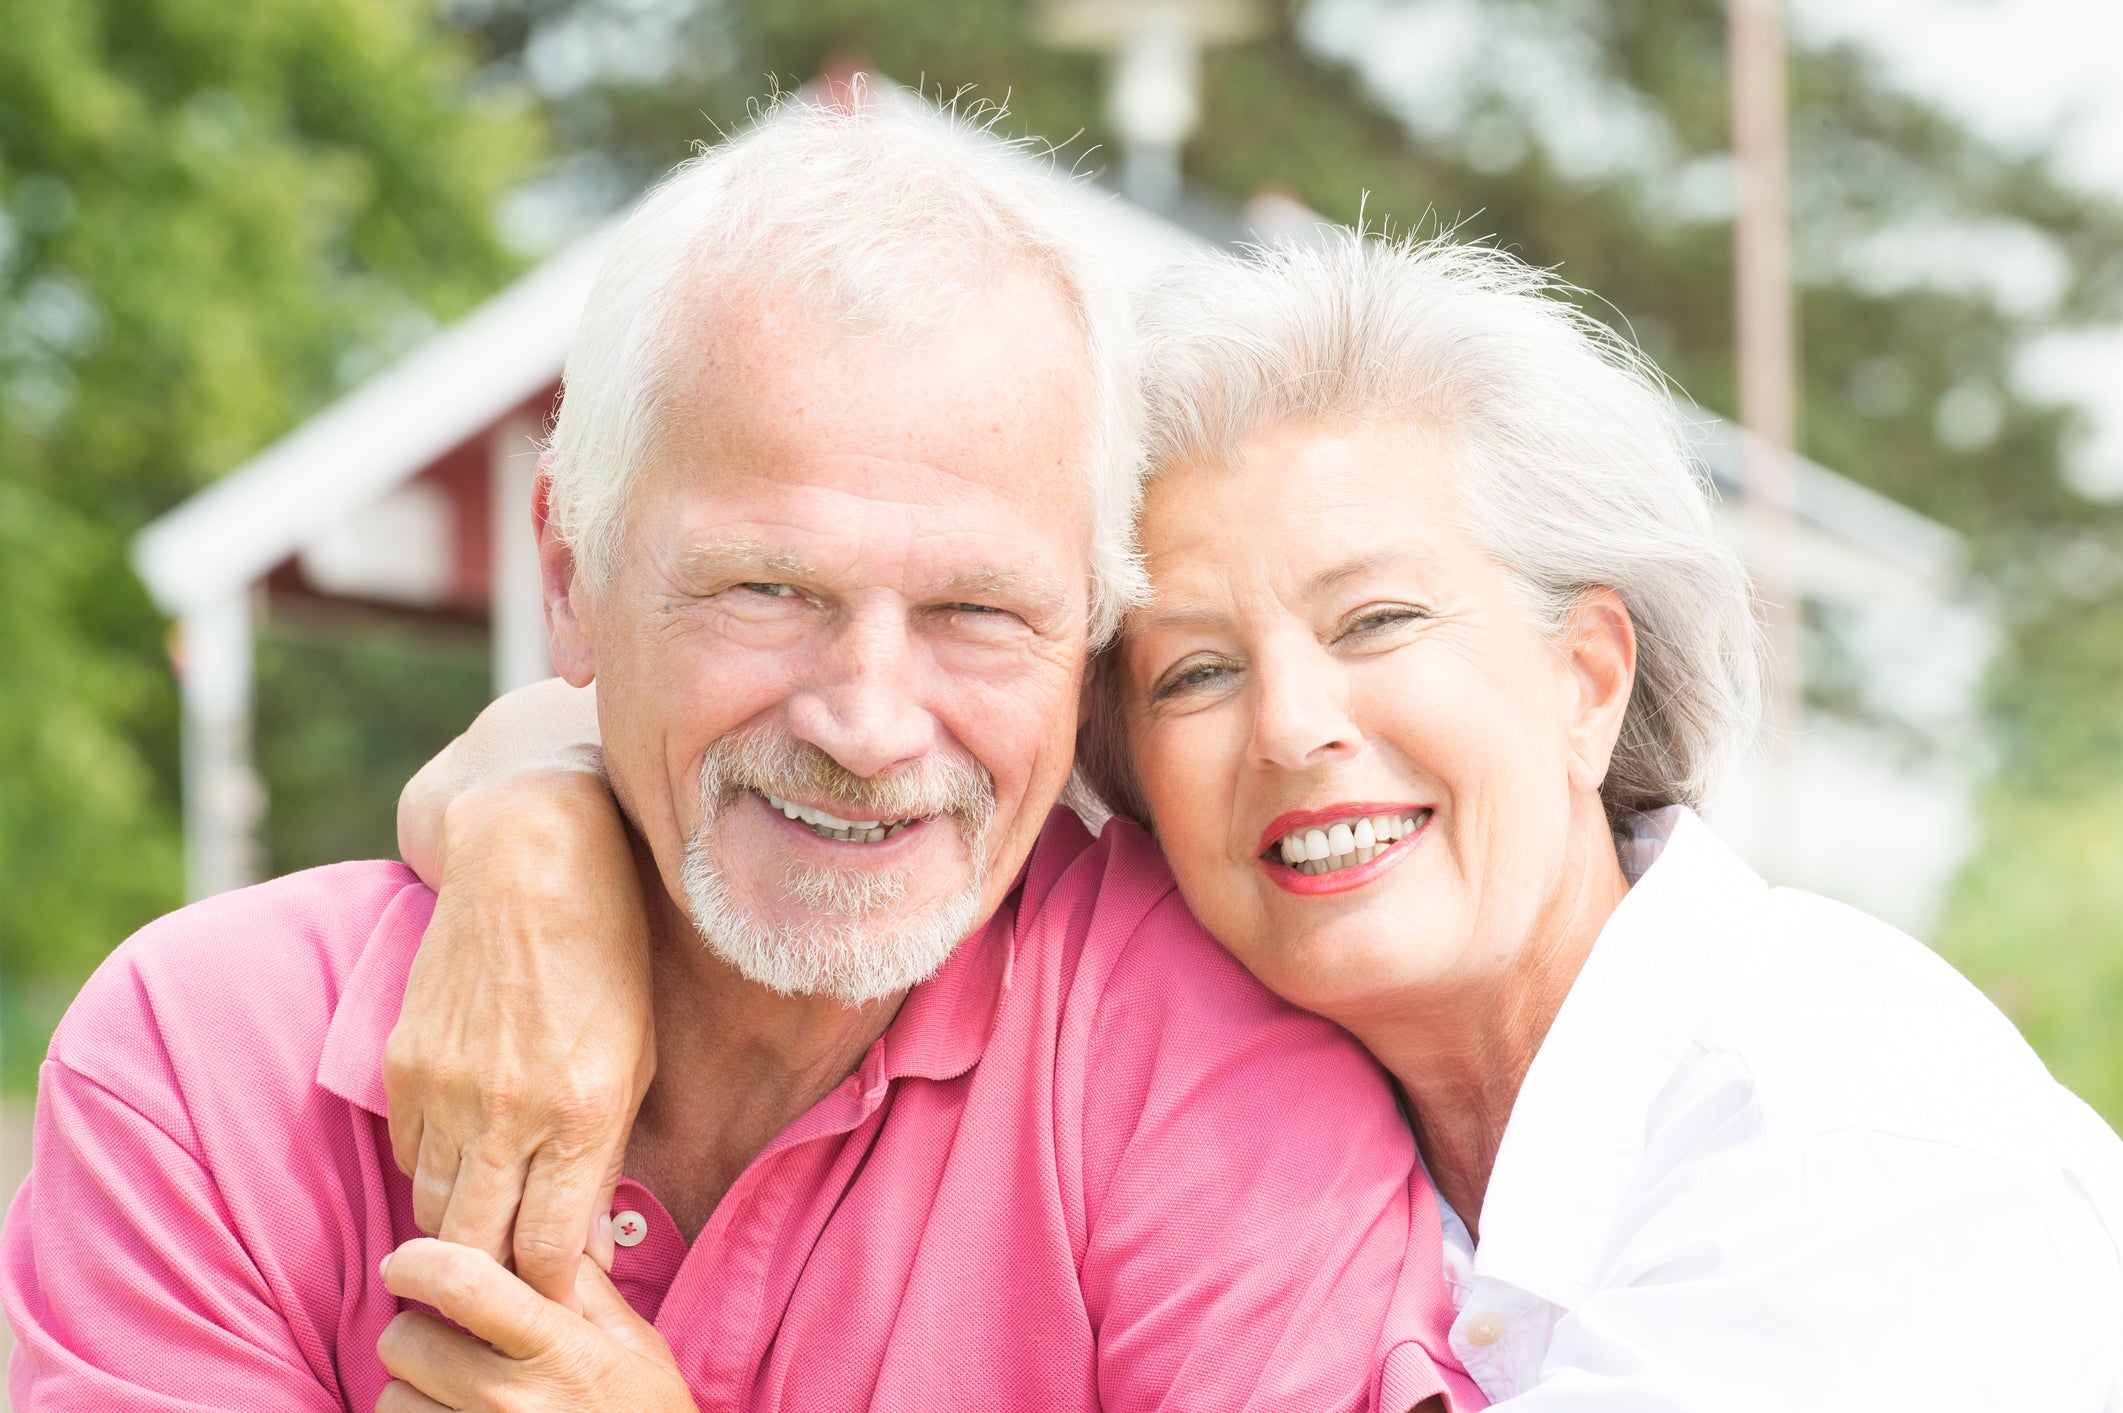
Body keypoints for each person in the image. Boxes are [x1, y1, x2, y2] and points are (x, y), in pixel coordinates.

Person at [385, 234, 2123, 1409]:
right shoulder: (1292, 1105)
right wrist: (540, 821)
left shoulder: (1856, 1157)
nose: (1295, 726)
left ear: (1591, 675)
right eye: (1199, 672)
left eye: (1378, 623)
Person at [0, 98, 1476, 1413]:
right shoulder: (204, 1069)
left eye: (976, 610)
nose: (869, 720)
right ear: (572, 577)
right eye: (768, 590)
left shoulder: (1213, 1053)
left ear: (1086, 639)